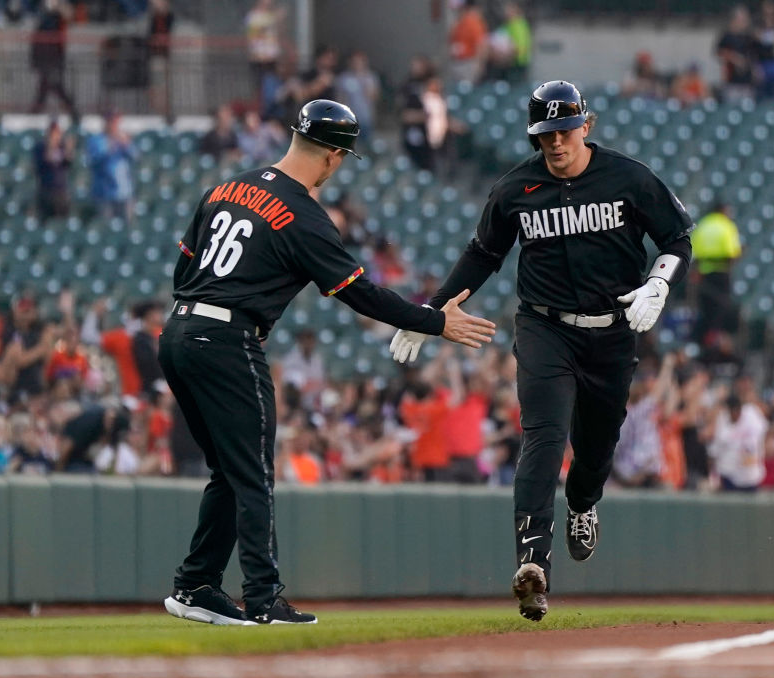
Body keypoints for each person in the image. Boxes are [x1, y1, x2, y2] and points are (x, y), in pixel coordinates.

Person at [158, 99, 496, 627]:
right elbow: (359, 295)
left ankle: (196, 584)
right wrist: (434, 321)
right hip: (226, 339)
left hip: (179, 330)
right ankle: (264, 597)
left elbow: (184, 267)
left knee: (229, 469)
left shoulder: (224, 188)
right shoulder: (305, 216)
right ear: (335, 157)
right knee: (251, 472)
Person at [388, 80, 693, 621]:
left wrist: (660, 282)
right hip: (544, 328)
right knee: (543, 437)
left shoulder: (628, 177)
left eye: (563, 130)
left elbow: (677, 237)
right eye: (544, 133)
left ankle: (583, 502)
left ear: (586, 126)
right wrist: (430, 314)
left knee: (596, 447)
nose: (554, 142)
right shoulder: (514, 190)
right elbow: (482, 255)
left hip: (612, 330)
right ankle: (533, 565)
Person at [690, 200, 742, 345]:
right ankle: (712, 342)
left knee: (704, 311)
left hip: (703, 275)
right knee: (719, 311)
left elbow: (693, 252)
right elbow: (733, 254)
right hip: (721, 273)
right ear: (722, 210)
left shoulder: (703, 225)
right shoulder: (727, 226)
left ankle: (698, 342)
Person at [34, 119, 75, 223]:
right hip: (46, 191)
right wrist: (51, 144)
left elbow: (68, 163)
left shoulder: (62, 148)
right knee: (46, 221)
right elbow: (46, 159)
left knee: (62, 221)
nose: (55, 136)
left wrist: (69, 148)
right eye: (53, 133)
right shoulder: (40, 148)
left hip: (61, 192)